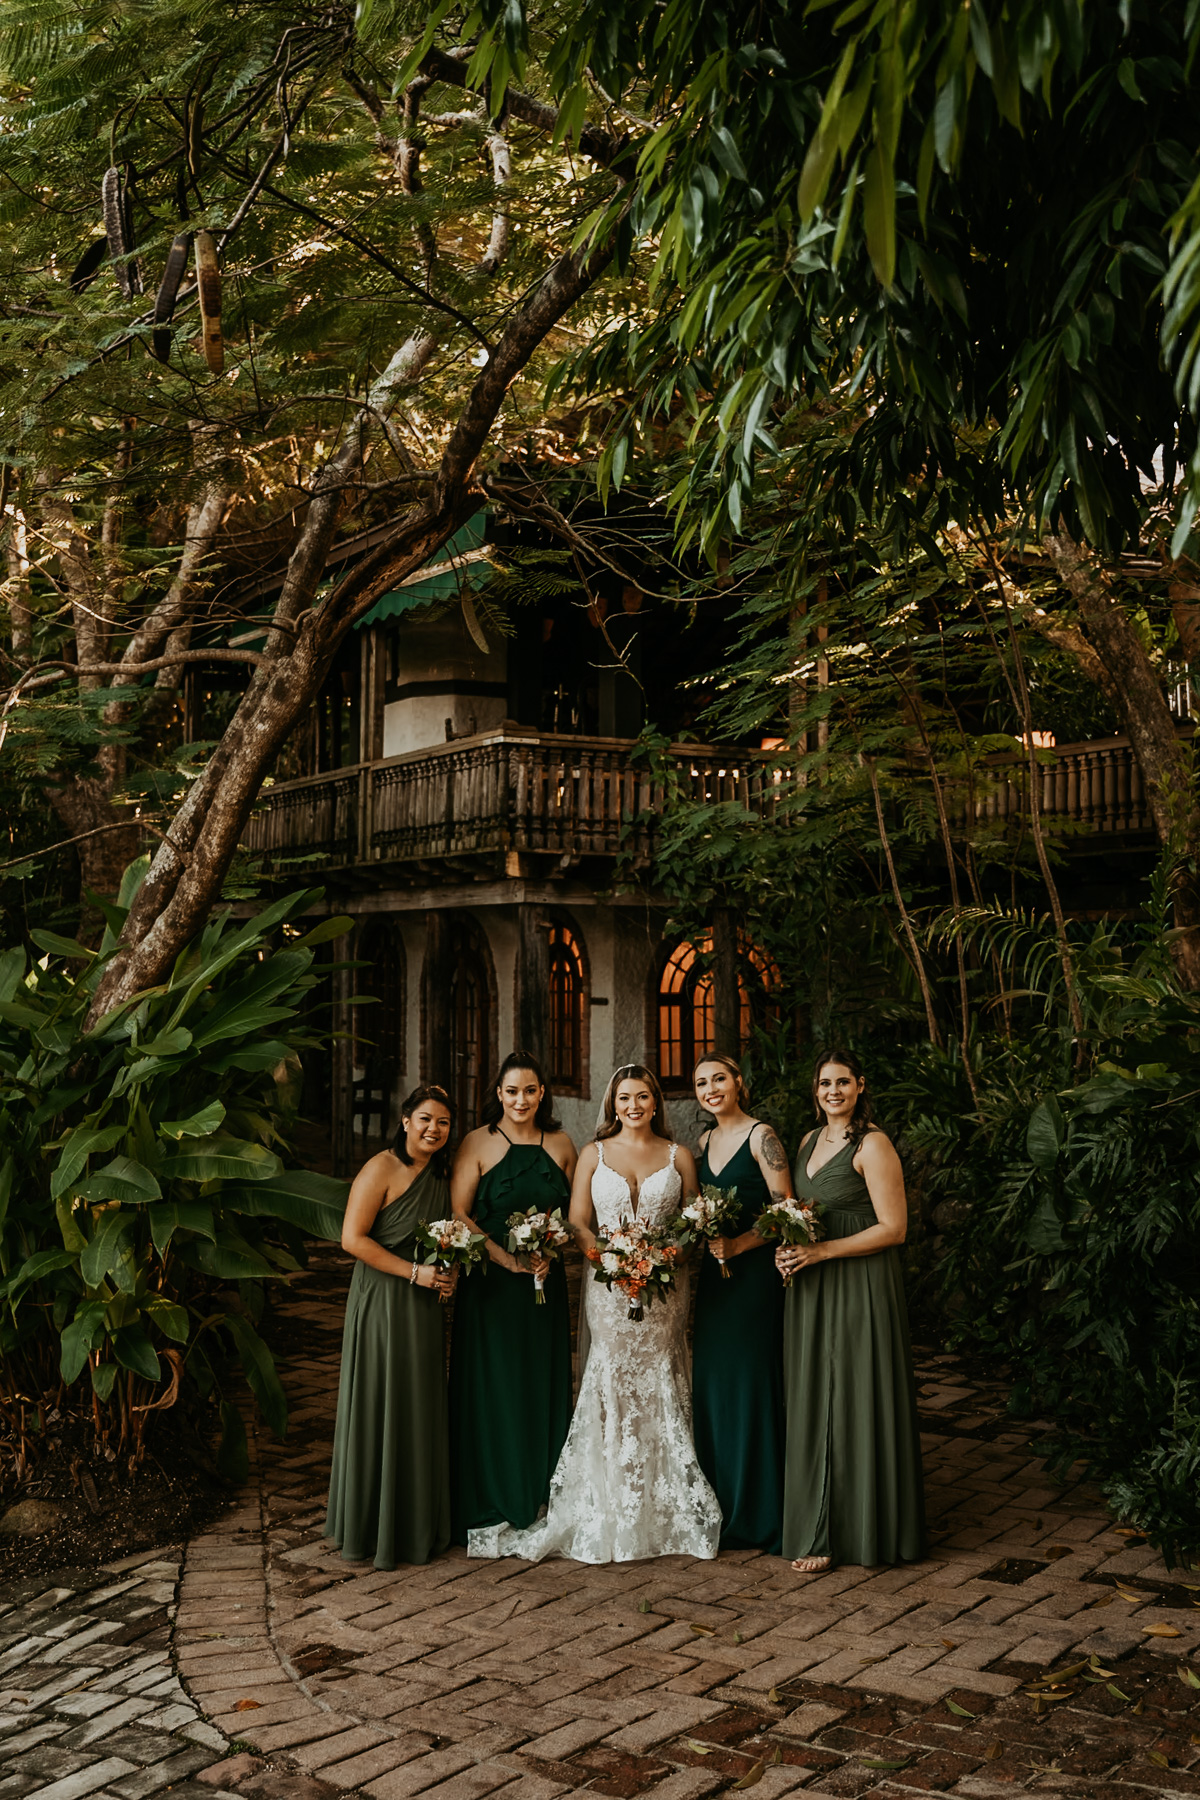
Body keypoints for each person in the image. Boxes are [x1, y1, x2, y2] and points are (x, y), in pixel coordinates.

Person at [468, 1063, 721, 1564]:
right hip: (607, 1288)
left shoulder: (680, 1155)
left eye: (643, 1097)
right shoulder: (592, 1153)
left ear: (656, 1103)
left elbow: (695, 1220)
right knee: (609, 1382)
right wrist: (611, 1259)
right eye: (625, 1097)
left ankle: (662, 1505)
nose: (634, 1106)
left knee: (660, 1381)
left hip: (664, 1289)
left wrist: (663, 1257)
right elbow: (578, 1222)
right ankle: (608, 1503)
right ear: (613, 1104)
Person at [777, 1050, 927, 1572]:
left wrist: (821, 1251)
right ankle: (818, 1521)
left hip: (861, 1282)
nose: (833, 1091)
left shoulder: (874, 1144)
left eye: (843, 1082)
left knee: (855, 1395)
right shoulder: (805, 1141)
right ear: (815, 1090)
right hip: (812, 1285)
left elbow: (894, 1228)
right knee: (815, 1394)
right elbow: (800, 1214)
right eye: (824, 1083)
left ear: (860, 1086)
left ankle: (857, 1529)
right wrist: (791, 1247)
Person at [325, 1084, 458, 1569]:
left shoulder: (441, 1172)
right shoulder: (381, 1167)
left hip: (423, 1304)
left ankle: (416, 1523)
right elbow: (351, 1239)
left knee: (418, 1402)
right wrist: (414, 1273)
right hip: (383, 1296)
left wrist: (448, 1273)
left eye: (443, 1122)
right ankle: (370, 1528)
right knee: (381, 1399)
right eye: (425, 1119)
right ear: (405, 1120)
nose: (433, 1129)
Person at [448, 1051, 577, 1540]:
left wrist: (553, 1248)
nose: (520, 1099)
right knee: (494, 1384)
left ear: (542, 1092)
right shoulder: (477, 1143)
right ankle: (490, 1491)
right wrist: (506, 1261)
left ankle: (537, 1491)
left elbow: (573, 1215)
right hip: (492, 1287)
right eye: (510, 1091)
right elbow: (460, 1213)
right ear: (497, 1095)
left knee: (537, 1381)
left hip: (545, 1286)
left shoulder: (562, 1144)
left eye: (529, 1090)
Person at [692, 1054, 790, 1554]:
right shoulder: (704, 1142)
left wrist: (739, 1246)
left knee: (751, 1383)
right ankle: (720, 1507)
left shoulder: (761, 1137)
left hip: (753, 1279)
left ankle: (761, 1512)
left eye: (719, 1079)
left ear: (738, 1084)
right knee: (713, 1383)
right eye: (701, 1083)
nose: (711, 1089)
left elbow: (786, 1211)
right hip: (714, 1280)